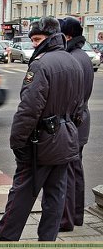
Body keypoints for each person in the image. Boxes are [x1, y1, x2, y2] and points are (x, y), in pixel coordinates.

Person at [0, 17, 84, 241]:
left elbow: (29, 109)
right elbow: (79, 106)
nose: (34, 45)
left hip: (42, 141)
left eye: (37, 39)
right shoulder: (73, 62)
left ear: (50, 37)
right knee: (56, 193)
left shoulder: (41, 65)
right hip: (66, 137)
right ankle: (47, 239)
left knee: (23, 190)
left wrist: (17, 141)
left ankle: (6, 233)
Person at [57, 17, 94, 232]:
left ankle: (66, 220)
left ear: (67, 36)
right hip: (81, 123)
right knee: (76, 170)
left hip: (73, 123)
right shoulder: (82, 56)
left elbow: (73, 98)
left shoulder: (72, 58)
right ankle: (77, 215)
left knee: (68, 173)